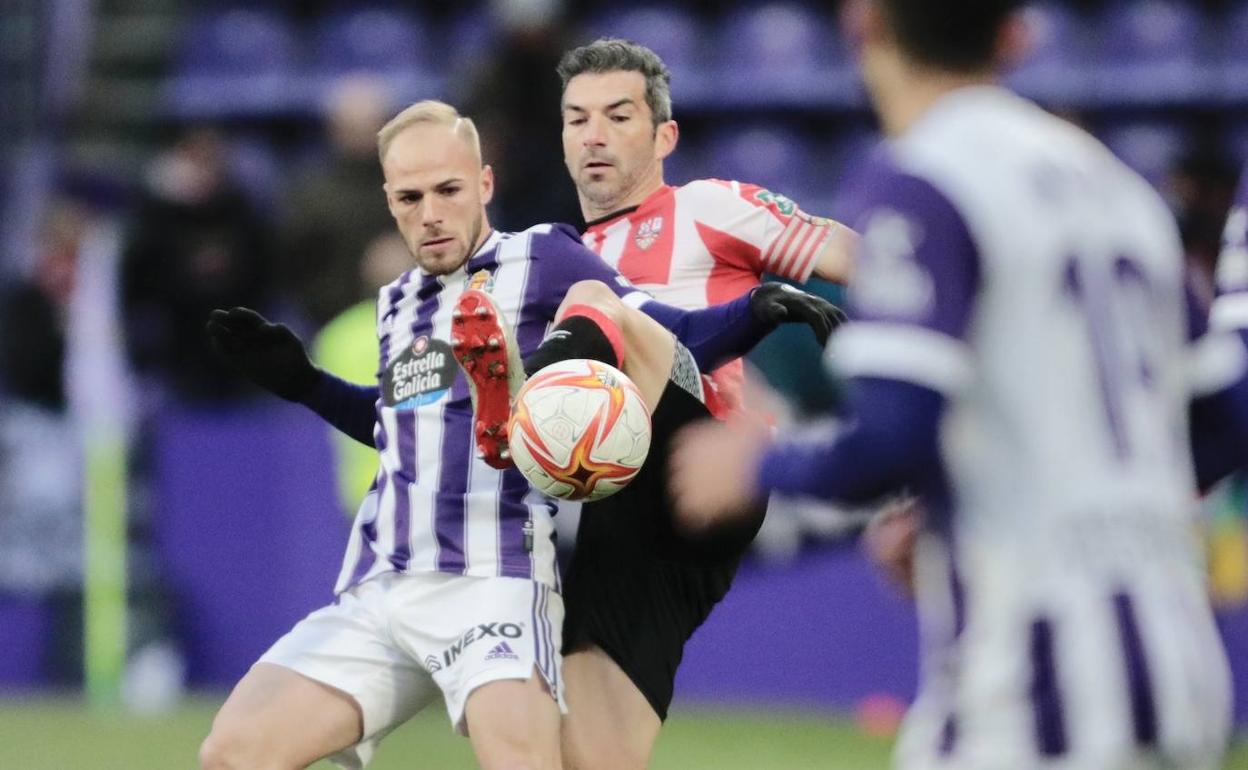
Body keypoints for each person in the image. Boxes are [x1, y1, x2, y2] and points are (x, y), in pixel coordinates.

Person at [669, 2, 1248, 769]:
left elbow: (891, 434)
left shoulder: (923, 175)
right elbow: (1226, 422)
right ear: (1017, 36)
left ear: (861, 23)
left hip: (1038, 674)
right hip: (1178, 661)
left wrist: (751, 464)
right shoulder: (1118, 187)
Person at [199, 100, 840, 770]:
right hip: (382, 586)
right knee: (231, 754)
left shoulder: (543, 255)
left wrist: (750, 314)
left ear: (484, 184)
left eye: (448, 190)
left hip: (490, 580)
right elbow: (402, 425)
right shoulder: (396, 305)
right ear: (390, 201)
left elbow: (659, 329)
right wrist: (306, 384)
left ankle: (521, 388)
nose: (431, 212)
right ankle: (505, 390)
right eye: (411, 197)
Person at [542, 39, 861, 768]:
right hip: (616, 502)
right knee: (586, 754)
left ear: (664, 136)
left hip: (704, 456)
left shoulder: (708, 207)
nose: (593, 134)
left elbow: (869, 261)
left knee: (599, 303)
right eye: (576, 118)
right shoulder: (548, 253)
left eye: (617, 116)